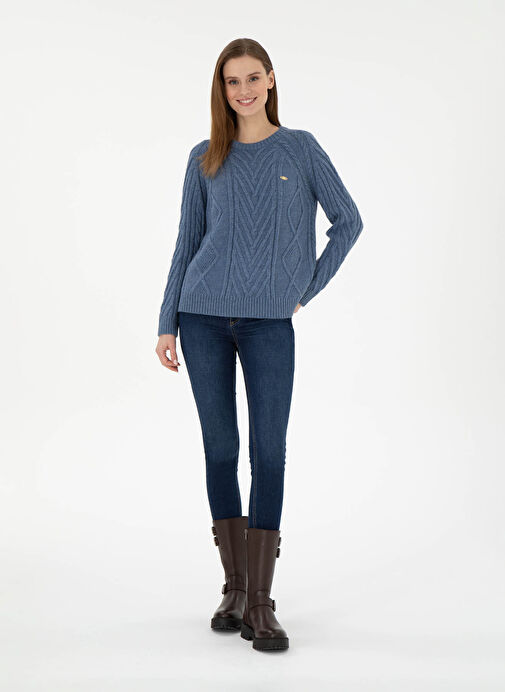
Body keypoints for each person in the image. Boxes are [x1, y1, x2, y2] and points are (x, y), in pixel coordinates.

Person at [155, 38, 364, 652]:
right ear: (221, 90)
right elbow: (186, 242)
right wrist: (167, 322)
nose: (242, 90)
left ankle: (263, 603)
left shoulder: (300, 148)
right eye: (231, 81)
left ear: (270, 79)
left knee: (269, 453)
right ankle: (236, 588)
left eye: (252, 78)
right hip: (200, 317)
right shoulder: (204, 157)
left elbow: (348, 221)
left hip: (269, 323)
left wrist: (305, 289)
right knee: (221, 450)